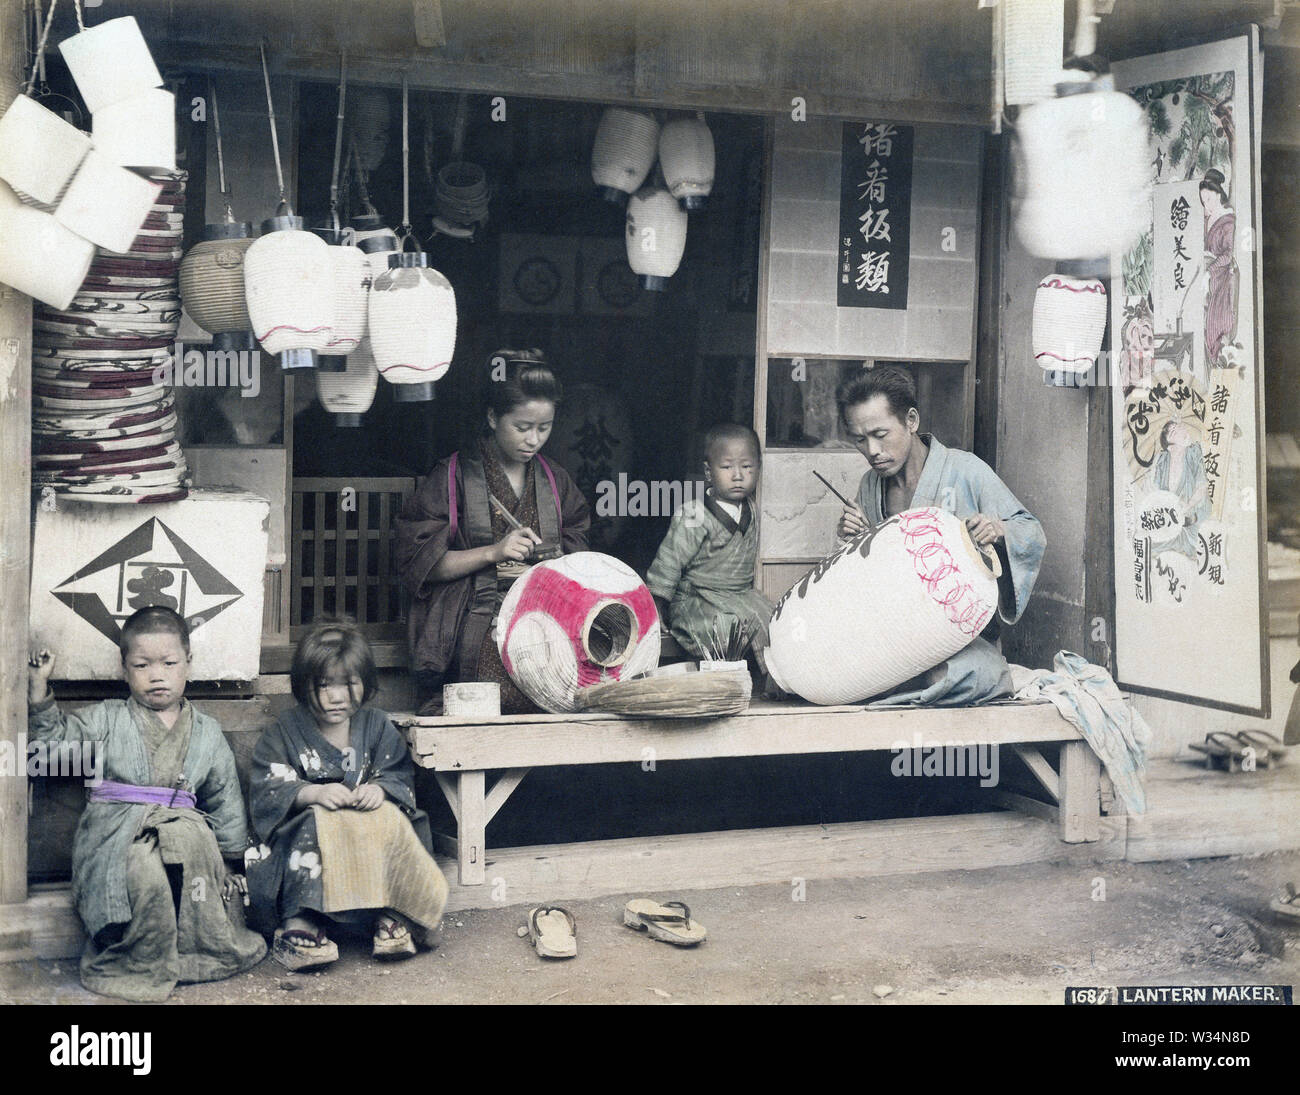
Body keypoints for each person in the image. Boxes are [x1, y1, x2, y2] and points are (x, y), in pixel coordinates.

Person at [26, 607, 265, 1002]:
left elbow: (224, 798)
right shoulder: (107, 718)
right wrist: (39, 691)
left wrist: (230, 860)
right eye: (142, 665)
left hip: (186, 833)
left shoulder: (206, 731)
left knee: (197, 868)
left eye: (170, 663)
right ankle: (139, 961)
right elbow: (51, 751)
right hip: (119, 835)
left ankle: (191, 957)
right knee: (142, 874)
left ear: (189, 662)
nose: (157, 675)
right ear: (124, 669)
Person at [834, 366, 1046, 704]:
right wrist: (854, 540)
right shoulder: (869, 486)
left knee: (962, 675)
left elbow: (1030, 530)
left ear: (911, 420)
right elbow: (860, 578)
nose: (872, 450)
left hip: (957, 636)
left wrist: (1000, 530)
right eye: (860, 439)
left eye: (880, 433)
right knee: (841, 665)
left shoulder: (966, 470)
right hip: (895, 632)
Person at [395, 350, 591, 714]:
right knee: (512, 689)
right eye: (522, 427)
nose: (533, 440)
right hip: (477, 617)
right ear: (491, 417)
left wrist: (557, 564)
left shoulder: (555, 480)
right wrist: (493, 552)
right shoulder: (452, 476)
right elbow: (420, 564)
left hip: (544, 617)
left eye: (544, 428)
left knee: (581, 680)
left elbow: (576, 556)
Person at [245, 622, 448, 971]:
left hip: (365, 829)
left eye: (348, 684)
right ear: (302, 683)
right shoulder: (284, 731)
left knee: (392, 818)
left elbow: (397, 774)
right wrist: (310, 792)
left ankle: (390, 910)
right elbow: (268, 787)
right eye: (323, 684)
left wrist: (379, 789)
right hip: (311, 833)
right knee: (311, 826)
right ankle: (302, 919)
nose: (335, 696)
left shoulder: (377, 726)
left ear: (366, 684)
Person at [647, 423, 774, 665]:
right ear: (708, 472)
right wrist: (657, 605)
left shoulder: (753, 510)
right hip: (698, 599)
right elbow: (669, 561)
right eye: (727, 467)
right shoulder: (695, 514)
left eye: (747, 467)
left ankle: (774, 683)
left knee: (775, 619)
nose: (738, 476)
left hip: (740, 595)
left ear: (758, 468)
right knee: (726, 628)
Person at [1200, 168, 1238, 369]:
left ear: (1217, 194)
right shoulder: (1208, 218)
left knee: (1215, 326)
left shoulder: (1227, 220)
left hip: (1220, 277)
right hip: (1206, 275)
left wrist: (1210, 270)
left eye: (1208, 200)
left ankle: (1217, 362)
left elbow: (1228, 255)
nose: (1205, 206)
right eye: (1203, 202)